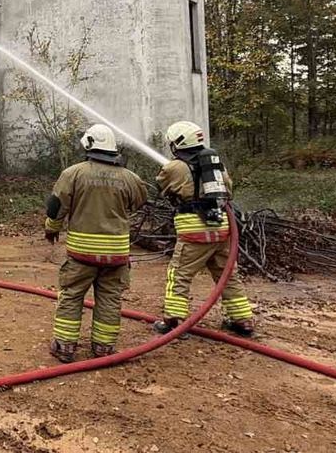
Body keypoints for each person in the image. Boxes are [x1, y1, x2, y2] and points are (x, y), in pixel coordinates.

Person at [44, 123, 148, 362]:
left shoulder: (73, 173)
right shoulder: (130, 178)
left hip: (82, 254)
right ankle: (104, 347)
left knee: (72, 295)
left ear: (89, 145)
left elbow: (57, 207)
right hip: (116, 255)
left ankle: (64, 346)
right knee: (110, 299)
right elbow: (139, 202)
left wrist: (51, 228)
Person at [153, 120, 255, 337]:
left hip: (194, 230)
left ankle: (173, 321)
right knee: (228, 275)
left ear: (178, 143)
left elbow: (161, 185)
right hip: (221, 227)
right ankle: (243, 321)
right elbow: (229, 191)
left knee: (179, 274)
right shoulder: (216, 164)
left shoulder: (174, 167)